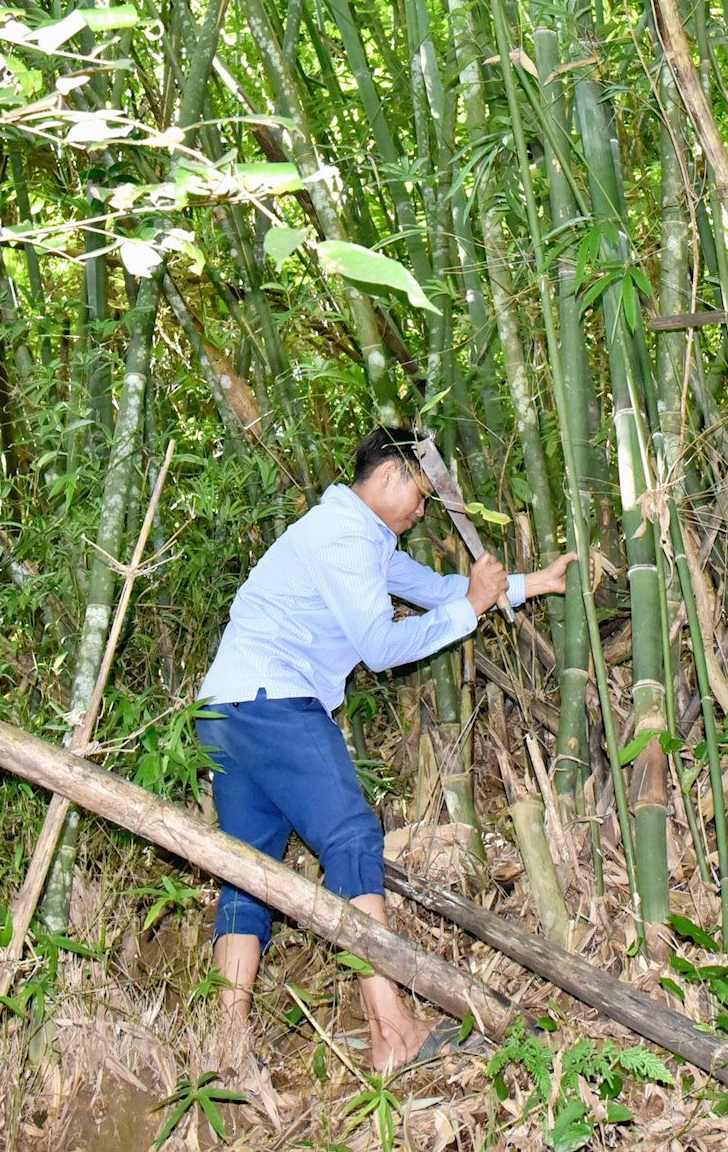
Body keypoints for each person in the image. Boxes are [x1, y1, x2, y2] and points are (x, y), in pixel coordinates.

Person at [196, 426, 577, 1075]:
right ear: (391, 476)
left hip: (226, 709)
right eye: (422, 496)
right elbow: (380, 646)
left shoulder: (363, 537)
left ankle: (225, 1047)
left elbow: (439, 590)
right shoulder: (344, 537)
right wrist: (472, 609)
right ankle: (392, 1028)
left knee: (249, 869)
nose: (423, 510)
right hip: (275, 701)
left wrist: (529, 584)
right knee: (349, 836)